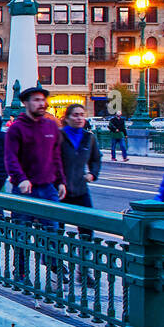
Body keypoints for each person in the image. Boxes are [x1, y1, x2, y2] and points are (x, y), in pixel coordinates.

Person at [4, 87, 67, 290]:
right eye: (37, 100)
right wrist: (20, 178)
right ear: (26, 103)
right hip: (24, 189)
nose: (42, 104)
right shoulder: (16, 128)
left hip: (47, 187)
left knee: (53, 232)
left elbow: (56, 157)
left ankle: (55, 273)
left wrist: (60, 181)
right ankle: (21, 273)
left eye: (43, 100)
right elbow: (11, 157)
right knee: (22, 233)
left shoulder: (51, 126)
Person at [59, 104, 102, 264]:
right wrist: (57, 182)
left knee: (86, 228)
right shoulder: (59, 136)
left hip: (80, 190)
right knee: (56, 229)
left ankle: (84, 266)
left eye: (81, 115)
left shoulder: (88, 137)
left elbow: (96, 159)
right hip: (60, 190)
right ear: (67, 118)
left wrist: (92, 174)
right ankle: (56, 267)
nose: (79, 118)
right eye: (75, 115)